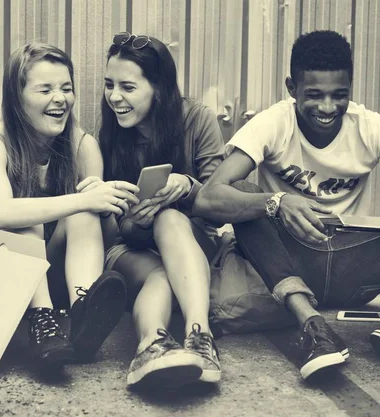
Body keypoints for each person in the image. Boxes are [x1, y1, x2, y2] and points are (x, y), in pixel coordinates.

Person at [194, 30, 380, 380]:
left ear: (351, 89)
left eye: (339, 95)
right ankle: (313, 327)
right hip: (287, 259)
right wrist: (277, 202)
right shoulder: (273, 122)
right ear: (291, 88)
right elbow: (208, 196)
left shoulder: (368, 127)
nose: (328, 107)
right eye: (314, 95)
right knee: (244, 191)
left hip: (349, 262)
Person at [0, 42, 140, 370]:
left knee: (83, 210)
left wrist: (104, 207)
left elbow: (106, 235)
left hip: (53, 270)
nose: (60, 98)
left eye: (66, 88)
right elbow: (2, 213)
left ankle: (84, 309)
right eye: (45, 89)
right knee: (25, 215)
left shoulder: (83, 145)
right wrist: (83, 198)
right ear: (17, 98)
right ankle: (42, 321)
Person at [85, 32, 225, 389]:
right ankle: (152, 345)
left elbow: (221, 204)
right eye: (109, 84)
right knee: (160, 271)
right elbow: (115, 233)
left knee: (170, 216)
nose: (115, 97)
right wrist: (132, 221)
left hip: (193, 243)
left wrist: (188, 187)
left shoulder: (197, 120)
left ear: (159, 89)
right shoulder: (110, 135)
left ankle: (200, 338)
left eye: (128, 87)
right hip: (132, 252)